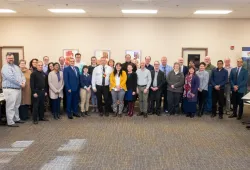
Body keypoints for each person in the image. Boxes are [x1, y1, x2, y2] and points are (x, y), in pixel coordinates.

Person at [1, 53, 25, 127]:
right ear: (6, 59)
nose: (11, 59)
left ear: (14, 58)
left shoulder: (16, 67)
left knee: (16, 105)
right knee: (10, 106)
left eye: (12, 58)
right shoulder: (5, 67)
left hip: (18, 89)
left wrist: (23, 82)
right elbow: (11, 78)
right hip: (10, 89)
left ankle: (16, 119)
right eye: (9, 58)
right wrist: (21, 84)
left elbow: (22, 75)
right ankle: (10, 122)